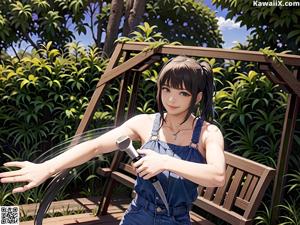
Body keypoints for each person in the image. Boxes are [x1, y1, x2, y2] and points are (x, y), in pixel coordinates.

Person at [0, 56, 225, 225]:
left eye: (183, 93)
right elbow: (95, 145)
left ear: (197, 97)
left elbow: (217, 176)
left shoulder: (208, 133)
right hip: (138, 215)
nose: (171, 99)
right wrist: (47, 167)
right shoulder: (146, 123)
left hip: (176, 219)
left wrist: (165, 162)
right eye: (166, 89)